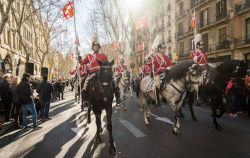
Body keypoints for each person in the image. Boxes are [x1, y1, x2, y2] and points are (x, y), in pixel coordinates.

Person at [81, 41, 122, 106]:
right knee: (85, 83)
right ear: (92, 48)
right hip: (92, 73)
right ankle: (85, 100)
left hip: (101, 73)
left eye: (97, 47)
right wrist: (80, 59)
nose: (96, 48)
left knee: (113, 81)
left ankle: (118, 97)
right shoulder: (89, 56)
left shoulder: (102, 55)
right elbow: (82, 62)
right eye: (95, 47)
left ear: (99, 48)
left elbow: (107, 64)